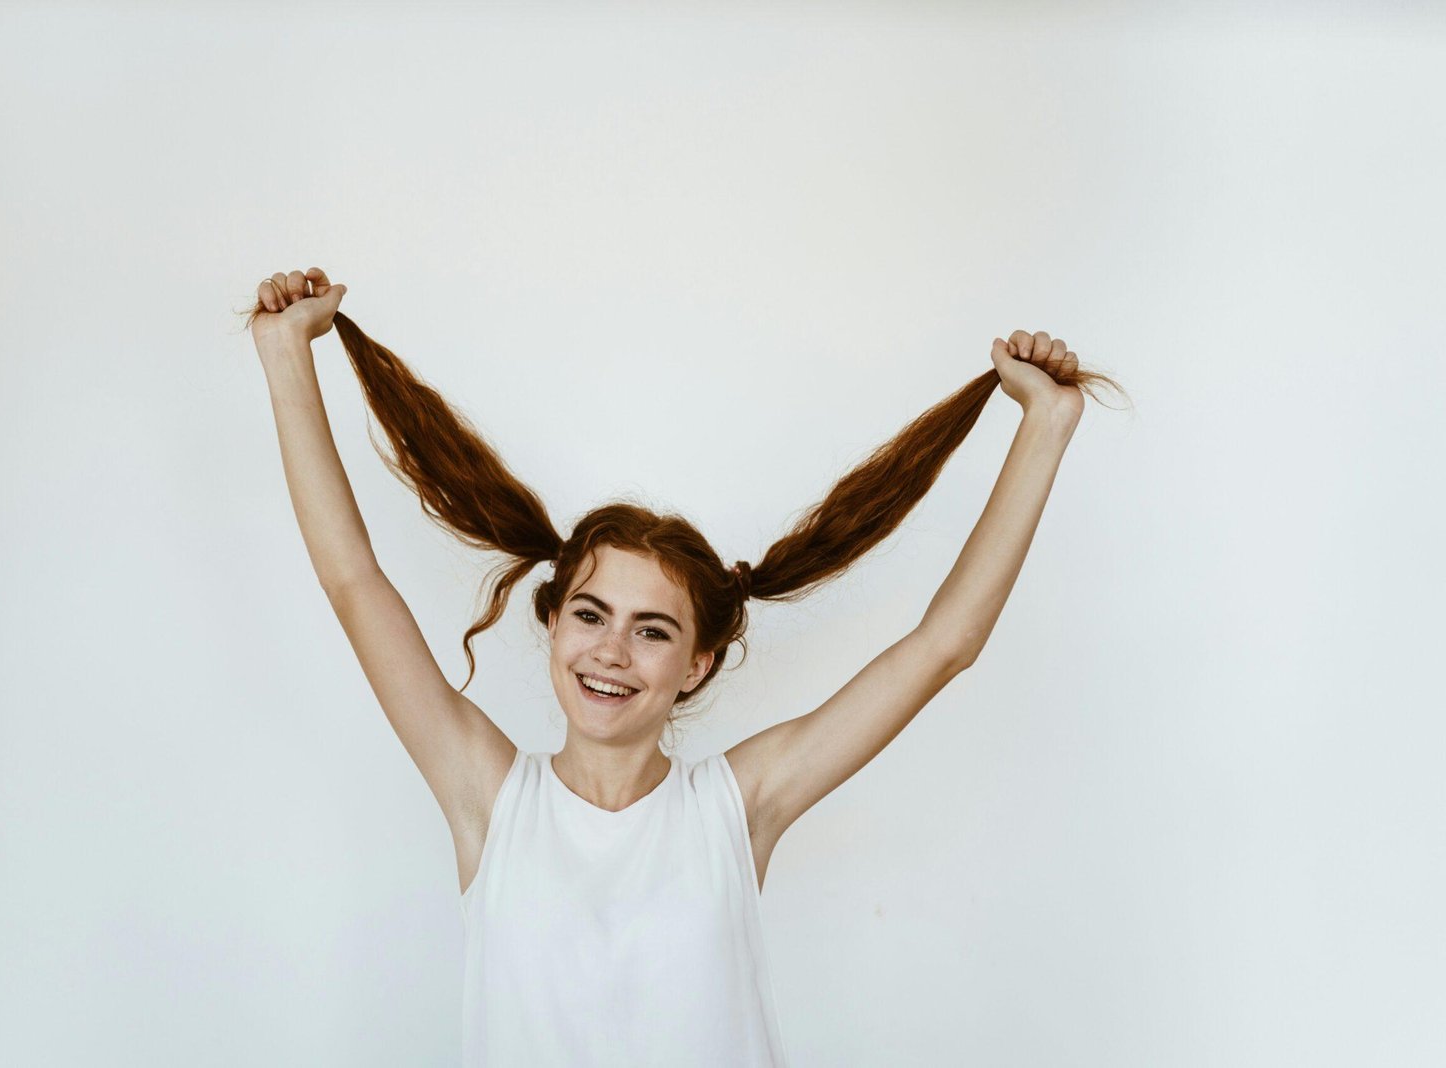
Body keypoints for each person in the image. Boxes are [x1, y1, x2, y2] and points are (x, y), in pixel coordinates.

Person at [242, 267, 1128, 1067]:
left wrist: (1045, 426)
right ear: (552, 626)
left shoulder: (736, 810)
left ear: (697, 664)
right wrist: (287, 355)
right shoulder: (489, 797)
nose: (612, 652)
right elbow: (352, 580)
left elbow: (943, 646)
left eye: (652, 631)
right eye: (589, 615)